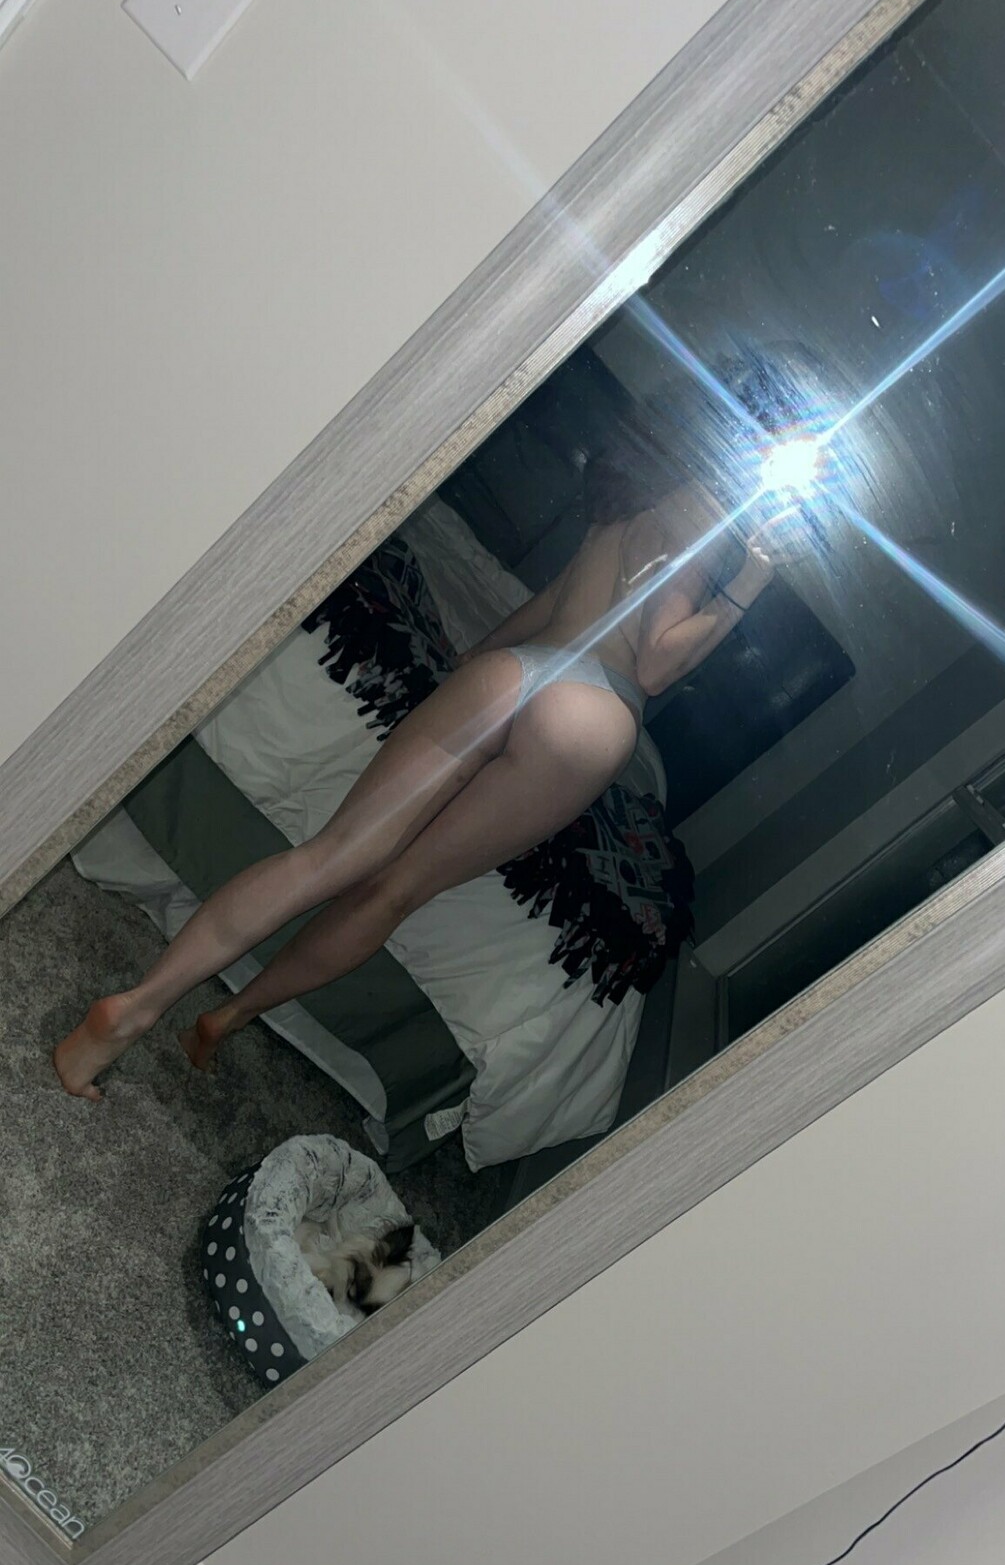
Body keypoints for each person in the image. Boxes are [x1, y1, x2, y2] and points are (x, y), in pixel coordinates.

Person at [52, 414, 778, 1100]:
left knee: (328, 856)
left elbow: (554, 602)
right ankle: (228, 1016)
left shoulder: (640, 490)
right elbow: (654, 662)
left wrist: (476, 664)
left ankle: (137, 1006)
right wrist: (749, 583)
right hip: (587, 719)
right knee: (395, 891)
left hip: (520, 670)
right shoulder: (706, 516)